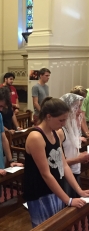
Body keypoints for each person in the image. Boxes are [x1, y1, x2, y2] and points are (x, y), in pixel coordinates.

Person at [23, 97, 89, 227]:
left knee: (58, 225)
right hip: (39, 192)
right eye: (61, 120)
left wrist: (79, 191)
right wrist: (68, 200)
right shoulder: (36, 136)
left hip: (54, 188)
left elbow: (63, 165)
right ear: (48, 116)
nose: (64, 124)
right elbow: (45, 174)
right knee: (45, 226)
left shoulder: (54, 133)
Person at [57, 93, 89, 198]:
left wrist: (80, 156)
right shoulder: (60, 131)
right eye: (77, 107)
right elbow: (57, 163)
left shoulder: (72, 127)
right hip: (64, 176)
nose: (79, 111)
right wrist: (78, 159)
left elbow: (71, 150)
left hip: (75, 171)